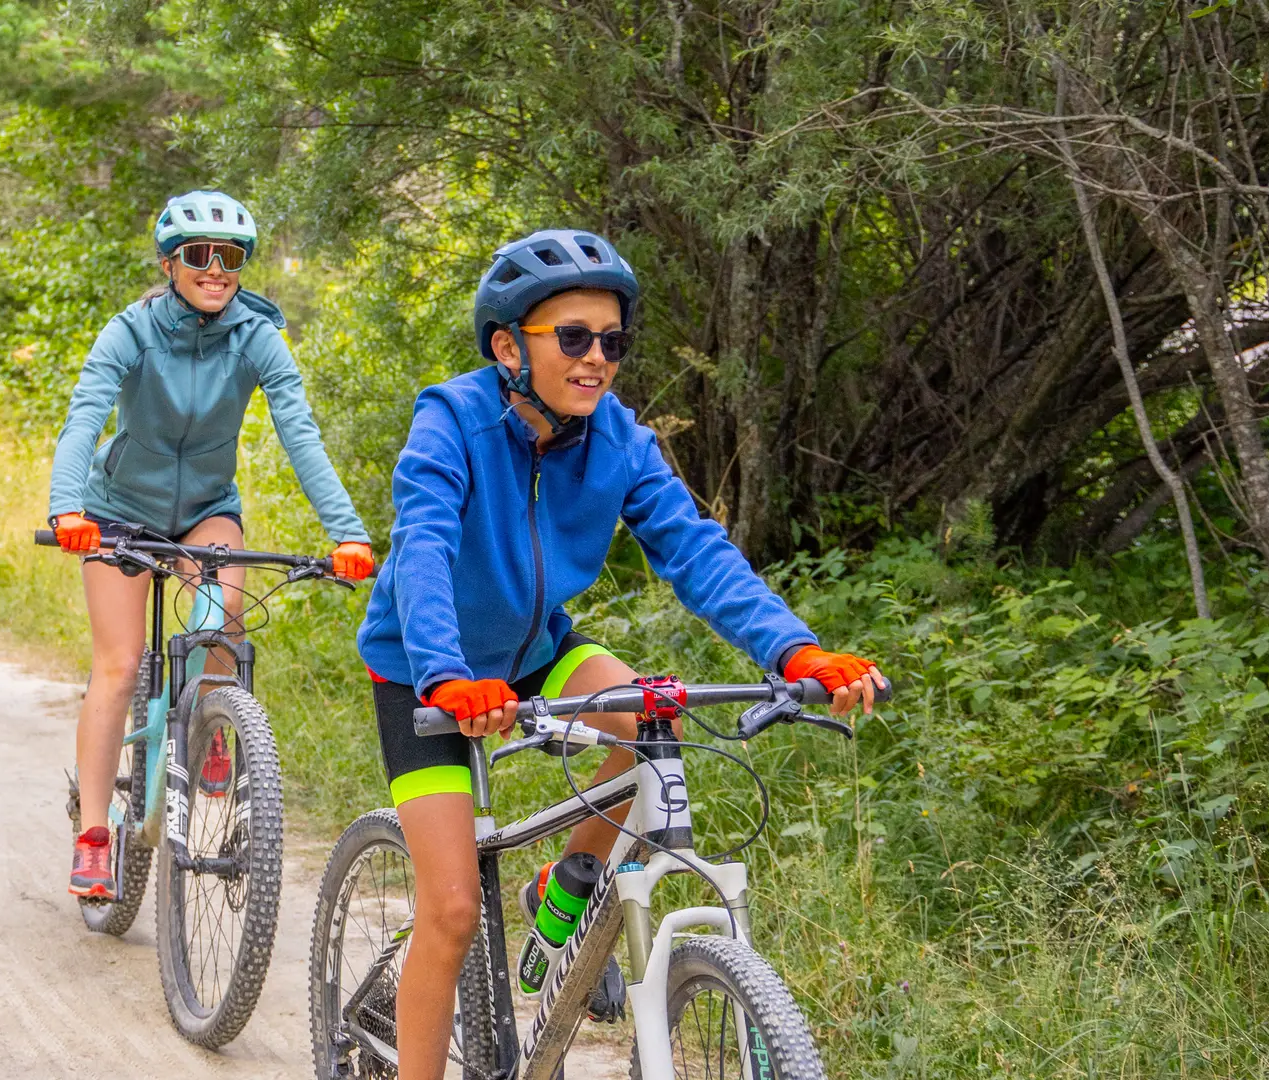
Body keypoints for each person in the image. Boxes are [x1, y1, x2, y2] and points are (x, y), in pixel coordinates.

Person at [354, 229, 886, 1078]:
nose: (597, 358)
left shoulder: (621, 442)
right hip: (423, 670)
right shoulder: (450, 419)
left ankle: (565, 882)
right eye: (573, 337)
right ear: (507, 347)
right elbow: (419, 546)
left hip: (535, 653)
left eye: (613, 341)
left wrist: (797, 652)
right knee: (451, 911)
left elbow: (695, 551)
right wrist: (448, 674)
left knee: (648, 716)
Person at [47, 189, 376, 899]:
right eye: (199, 255)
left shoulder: (256, 336)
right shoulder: (130, 331)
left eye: (230, 257)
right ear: (170, 263)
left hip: (205, 512)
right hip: (119, 512)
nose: (216, 268)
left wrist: (347, 530)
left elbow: (300, 433)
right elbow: (84, 418)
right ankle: (95, 834)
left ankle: (217, 730)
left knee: (222, 615)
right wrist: (66, 506)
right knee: (119, 662)